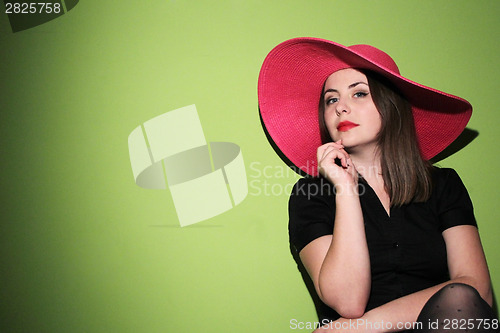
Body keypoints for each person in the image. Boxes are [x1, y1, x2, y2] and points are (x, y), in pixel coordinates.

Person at [257, 37, 498, 332]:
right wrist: (345, 189)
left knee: (459, 299)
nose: (341, 108)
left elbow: (476, 291)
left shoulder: (443, 184)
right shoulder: (311, 194)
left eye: (359, 94)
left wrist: (360, 327)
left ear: (391, 104)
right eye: (331, 99)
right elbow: (348, 303)